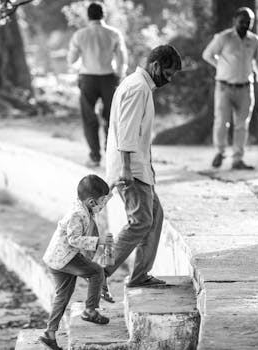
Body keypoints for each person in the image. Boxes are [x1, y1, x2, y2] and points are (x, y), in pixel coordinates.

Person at [104, 45, 182, 290]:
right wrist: (126, 169)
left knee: (154, 216)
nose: (168, 80)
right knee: (140, 221)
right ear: (156, 66)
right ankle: (99, 271)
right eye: (168, 74)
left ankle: (140, 275)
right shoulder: (138, 87)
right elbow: (126, 131)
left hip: (139, 168)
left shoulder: (138, 85)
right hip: (131, 170)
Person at [39, 175, 118, 350]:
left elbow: (98, 204)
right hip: (65, 258)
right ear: (91, 202)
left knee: (63, 296)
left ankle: (49, 334)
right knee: (96, 271)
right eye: (100, 201)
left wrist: (111, 189)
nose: (101, 205)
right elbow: (73, 239)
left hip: (57, 259)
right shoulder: (77, 214)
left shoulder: (83, 205)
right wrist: (98, 242)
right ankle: (90, 310)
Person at [202, 7, 258, 170]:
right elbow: (207, 55)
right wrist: (221, 66)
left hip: (246, 88)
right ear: (235, 21)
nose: (246, 25)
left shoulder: (254, 41)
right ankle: (220, 152)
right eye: (242, 22)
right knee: (221, 122)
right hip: (224, 87)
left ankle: (237, 159)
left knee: (242, 125)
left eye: (249, 23)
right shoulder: (224, 38)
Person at [67, 2, 128, 168]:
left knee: (89, 118)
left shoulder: (80, 35)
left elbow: (72, 59)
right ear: (104, 15)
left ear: (88, 16)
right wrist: (120, 75)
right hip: (109, 78)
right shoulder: (114, 34)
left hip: (88, 78)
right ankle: (111, 157)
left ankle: (94, 157)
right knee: (112, 118)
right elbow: (122, 58)